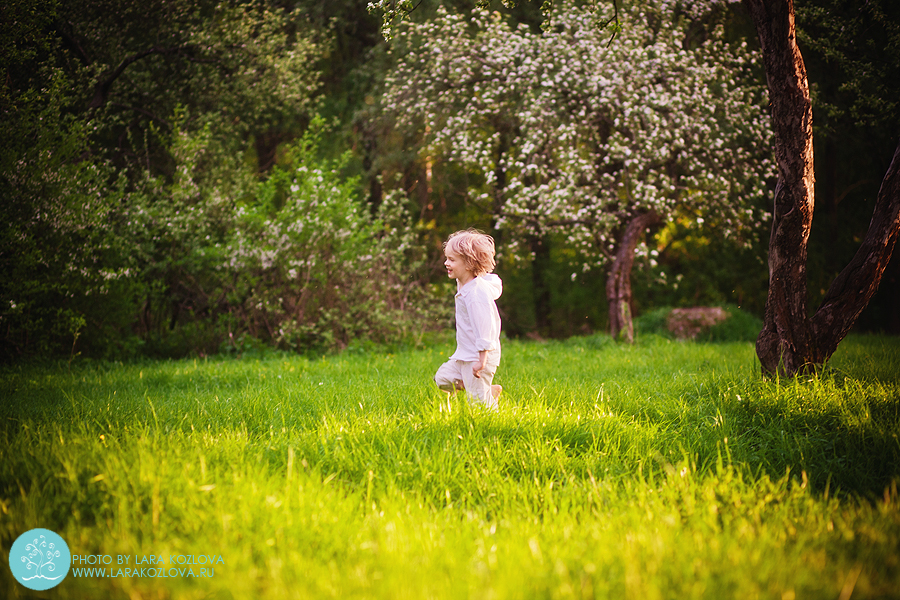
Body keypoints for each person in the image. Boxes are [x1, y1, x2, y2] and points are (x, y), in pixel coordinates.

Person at [433, 229, 503, 410]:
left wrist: (482, 360)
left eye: (452, 260)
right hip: (465, 353)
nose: (446, 263)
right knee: (443, 379)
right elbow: (489, 278)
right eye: (447, 258)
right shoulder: (465, 280)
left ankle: (493, 425)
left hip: (479, 356)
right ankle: (487, 390)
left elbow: (484, 327)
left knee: (479, 406)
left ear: (469, 263)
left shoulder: (476, 293)